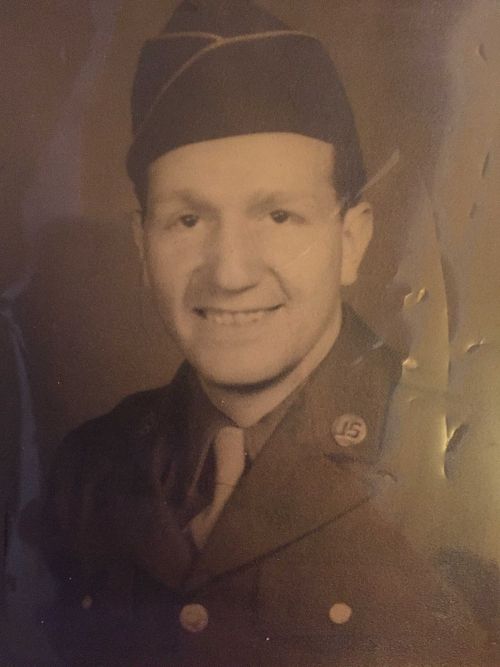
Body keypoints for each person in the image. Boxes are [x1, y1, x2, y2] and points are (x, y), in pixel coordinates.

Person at [42, 1, 494, 665]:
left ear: (351, 240)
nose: (229, 274)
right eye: (187, 220)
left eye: (279, 216)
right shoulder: (86, 470)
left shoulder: (466, 469)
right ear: (142, 246)